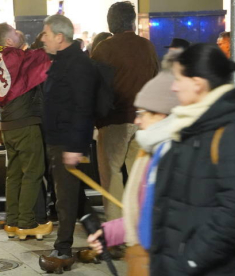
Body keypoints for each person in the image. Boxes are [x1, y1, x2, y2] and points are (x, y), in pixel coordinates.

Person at [151, 43, 235, 275]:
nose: (173, 87)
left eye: (178, 79)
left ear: (198, 84)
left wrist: (188, 262)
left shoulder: (233, 131)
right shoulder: (191, 126)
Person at [87, 50, 182, 276]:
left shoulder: (179, 158)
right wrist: (108, 233)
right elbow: (141, 213)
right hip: (146, 261)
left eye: (144, 112)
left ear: (163, 115)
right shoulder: (148, 155)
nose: (137, 119)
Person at [91, 1, 159, 229]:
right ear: (132, 21)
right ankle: (141, 229)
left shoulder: (104, 49)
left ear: (111, 23)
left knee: (111, 177)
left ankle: (116, 232)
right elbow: (155, 78)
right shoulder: (147, 46)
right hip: (143, 120)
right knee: (139, 177)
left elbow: (95, 86)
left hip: (114, 120)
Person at [38, 14, 97, 273]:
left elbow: (83, 108)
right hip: (59, 140)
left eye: (46, 34)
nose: (42, 38)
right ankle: (102, 239)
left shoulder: (77, 64)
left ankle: (63, 249)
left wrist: (74, 147)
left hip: (68, 143)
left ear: (60, 37)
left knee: (65, 198)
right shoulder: (62, 60)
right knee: (74, 197)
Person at [0, 23, 52, 240]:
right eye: (15, 32)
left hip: (8, 124)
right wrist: (48, 40)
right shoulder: (14, 57)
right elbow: (39, 58)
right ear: (8, 42)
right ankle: (27, 223)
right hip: (24, 123)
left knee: (14, 175)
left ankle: (13, 221)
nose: (19, 33)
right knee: (33, 172)